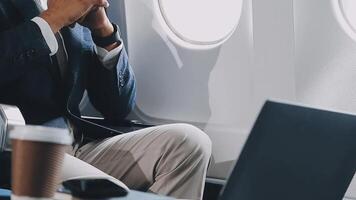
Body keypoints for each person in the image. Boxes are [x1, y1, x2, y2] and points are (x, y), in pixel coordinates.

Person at [0, 0, 212, 199]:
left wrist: (103, 30)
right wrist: (52, 20)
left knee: (189, 143)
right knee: (103, 190)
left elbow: (117, 107)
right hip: (21, 150)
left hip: (75, 143)